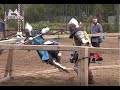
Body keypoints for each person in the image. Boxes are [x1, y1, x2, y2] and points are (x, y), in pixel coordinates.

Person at [68, 18, 94, 84]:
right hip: (83, 52)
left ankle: (84, 81)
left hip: (84, 52)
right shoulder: (77, 32)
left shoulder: (78, 32)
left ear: (73, 26)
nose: (70, 28)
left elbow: (84, 43)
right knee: (84, 67)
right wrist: (74, 55)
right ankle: (90, 80)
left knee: (77, 67)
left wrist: (78, 53)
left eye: (70, 26)